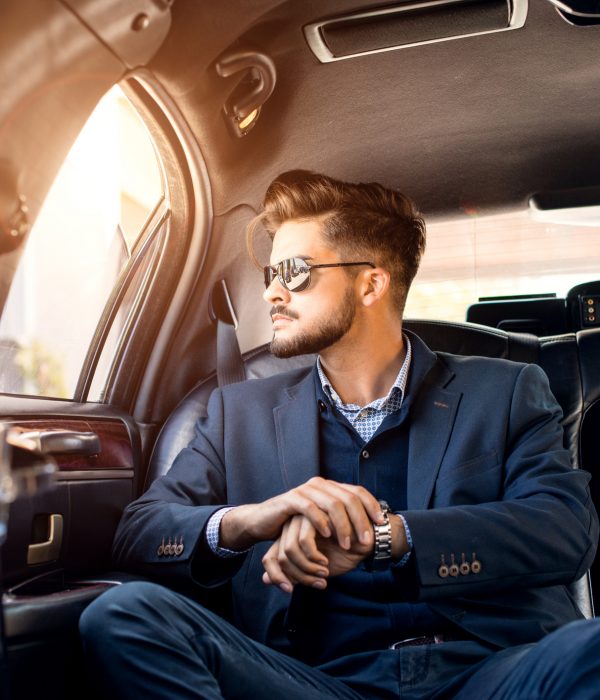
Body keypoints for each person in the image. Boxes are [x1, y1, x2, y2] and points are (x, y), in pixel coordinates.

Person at [80, 171, 599, 699]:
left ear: (371, 283)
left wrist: (388, 538)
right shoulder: (238, 413)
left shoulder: (506, 391)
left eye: (296, 271)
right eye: (270, 273)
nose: (274, 292)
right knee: (125, 614)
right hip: (317, 683)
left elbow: (564, 530)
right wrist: (249, 520)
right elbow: (138, 533)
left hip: (494, 673)